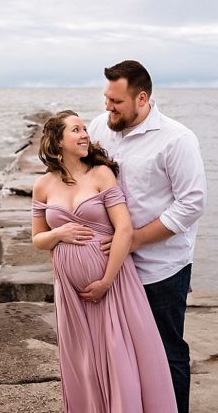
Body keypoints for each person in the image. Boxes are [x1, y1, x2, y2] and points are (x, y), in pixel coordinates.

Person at [31, 110, 176, 412]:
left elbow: (123, 228)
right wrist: (59, 232)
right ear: (57, 141)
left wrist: (106, 281)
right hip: (70, 295)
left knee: (118, 360)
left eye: (85, 128)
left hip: (112, 286)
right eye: (76, 129)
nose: (85, 134)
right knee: (82, 365)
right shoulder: (43, 185)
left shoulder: (100, 174)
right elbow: (38, 239)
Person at [88, 60, 208, 412]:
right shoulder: (99, 127)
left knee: (166, 352)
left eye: (116, 101)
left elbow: (192, 203)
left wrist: (135, 240)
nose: (108, 107)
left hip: (161, 269)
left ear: (142, 99)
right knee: (119, 352)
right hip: (110, 266)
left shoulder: (177, 139)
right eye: (106, 98)